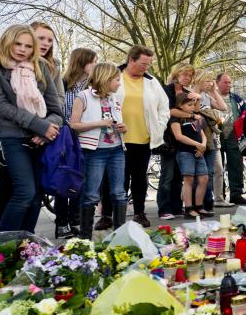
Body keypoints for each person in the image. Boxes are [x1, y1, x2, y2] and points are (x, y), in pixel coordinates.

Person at [0, 24, 63, 234]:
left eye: (28, 45)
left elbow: (56, 110)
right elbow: (0, 106)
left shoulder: (41, 67)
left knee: (36, 196)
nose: (22, 49)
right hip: (12, 137)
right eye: (17, 43)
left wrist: (47, 131)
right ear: (7, 41)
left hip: (40, 139)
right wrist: (40, 125)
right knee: (24, 192)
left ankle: (25, 246)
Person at [99, 46, 169, 228]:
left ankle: (139, 213)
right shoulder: (113, 76)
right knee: (112, 179)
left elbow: (164, 108)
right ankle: (107, 215)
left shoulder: (152, 82)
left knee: (139, 178)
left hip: (142, 139)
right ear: (131, 60)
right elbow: (101, 100)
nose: (146, 67)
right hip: (115, 138)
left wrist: (159, 127)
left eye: (149, 64)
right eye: (143, 64)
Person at [69, 63, 127, 238]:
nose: (119, 84)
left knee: (119, 192)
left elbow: (115, 122)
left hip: (116, 149)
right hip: (95, 152)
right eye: (117, 80)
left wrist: (123, 127)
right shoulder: (83, 96)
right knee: (91, 194)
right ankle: (85, 237)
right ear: (106, 79)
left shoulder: (114, 98)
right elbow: (74, 125)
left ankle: (120, 236)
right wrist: (100, 123)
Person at [31, 22, 73, 238]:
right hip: (19, 130)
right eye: (41, 38)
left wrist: (46, 127)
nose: (46, 43)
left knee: (42, 182)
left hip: (47, 131)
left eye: (49, 40)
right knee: (14, 187)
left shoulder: (53, 65)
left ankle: (27, 235)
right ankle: (9, 233)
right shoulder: (11, 63)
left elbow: (58, 99)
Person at [57, 47, 98, 237]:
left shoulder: (93, 86)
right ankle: (61, 222)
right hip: (65, 138)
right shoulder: (64, 84)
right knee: (64, 179)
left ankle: (75, 221)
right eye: (93, 61)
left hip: (84, 138)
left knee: (79, 182)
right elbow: (57, 109)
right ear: (82, 62)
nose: (95, 65)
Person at [156, 63, 199, 220]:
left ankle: (176, 207)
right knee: (167, 175)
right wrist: (191, 115)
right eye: (185, 74)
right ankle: (164, 209)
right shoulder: (166, 90)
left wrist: (197, 101)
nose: (187, 78)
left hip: (184, 139)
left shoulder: (189, 93)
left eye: (190, 75)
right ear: (177, 74)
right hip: (168, 138)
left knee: (178, 176)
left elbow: (195, 109)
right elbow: (168, 111)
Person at [168, 94, 210, 218]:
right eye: (189, 105)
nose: (193, 107)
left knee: (203, 179)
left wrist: (202, 146)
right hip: (185, 152)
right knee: (189, 179)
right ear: (180, 105)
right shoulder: (175, 119)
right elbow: (179, 136)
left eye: (194, 105)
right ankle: (188, 208)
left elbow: (202, 134)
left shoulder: (194, 119)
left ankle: (199, 206)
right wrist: (197, 144)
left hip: (198, 152)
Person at [192, 69, 226, 216]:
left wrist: (214, 91)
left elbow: (223, 107)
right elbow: (194, 110)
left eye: (211, 81)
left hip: (211, 139)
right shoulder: (192, 94)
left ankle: (208, 203)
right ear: (199, 80)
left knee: (210, 172)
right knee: (198, 174)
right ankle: (194, 204)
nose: (210, 83)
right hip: (197, 138)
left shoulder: (207, 95)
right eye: (207, 80)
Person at [216, 73, 246, 206]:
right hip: (216, 135)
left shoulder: (237, 99)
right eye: (226, 82)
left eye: (230, 82)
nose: (229, 85)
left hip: (233, 136)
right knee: (218, 167)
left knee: (236, 165)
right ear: (217, 82)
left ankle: (236, 194)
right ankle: (220, 195)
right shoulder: (211, 97)